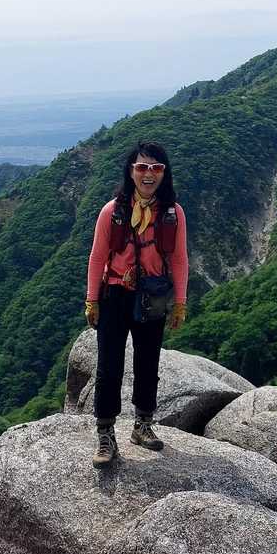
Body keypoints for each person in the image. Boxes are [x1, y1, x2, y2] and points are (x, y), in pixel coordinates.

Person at [84, 141, 189, 466]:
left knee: (148, 363)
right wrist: (92, 299)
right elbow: (97, 256)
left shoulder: (172, 213)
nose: (149, 174)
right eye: (142, 167)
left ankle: (143, 424)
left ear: (164, 173)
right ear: (131, 172)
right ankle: (105, 434)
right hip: (115, 294)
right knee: (109, 367)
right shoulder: (112, 211)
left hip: (152, 295)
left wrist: (180, 302)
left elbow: (179, 259)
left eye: (156, 168)